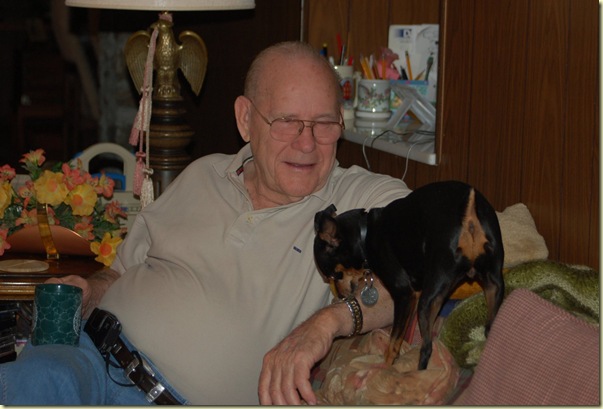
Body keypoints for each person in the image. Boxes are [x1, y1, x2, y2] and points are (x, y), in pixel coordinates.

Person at [0, 41, 410, 405]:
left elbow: (421, 254)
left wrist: (328, 322)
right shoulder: (204, 173)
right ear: (245, 119)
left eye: (324, 124)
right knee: (32, 381)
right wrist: (91, 290)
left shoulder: (356, 198)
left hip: (163, 399)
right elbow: (120, 271)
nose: (307, 143)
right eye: (287, 121)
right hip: (85, 354)